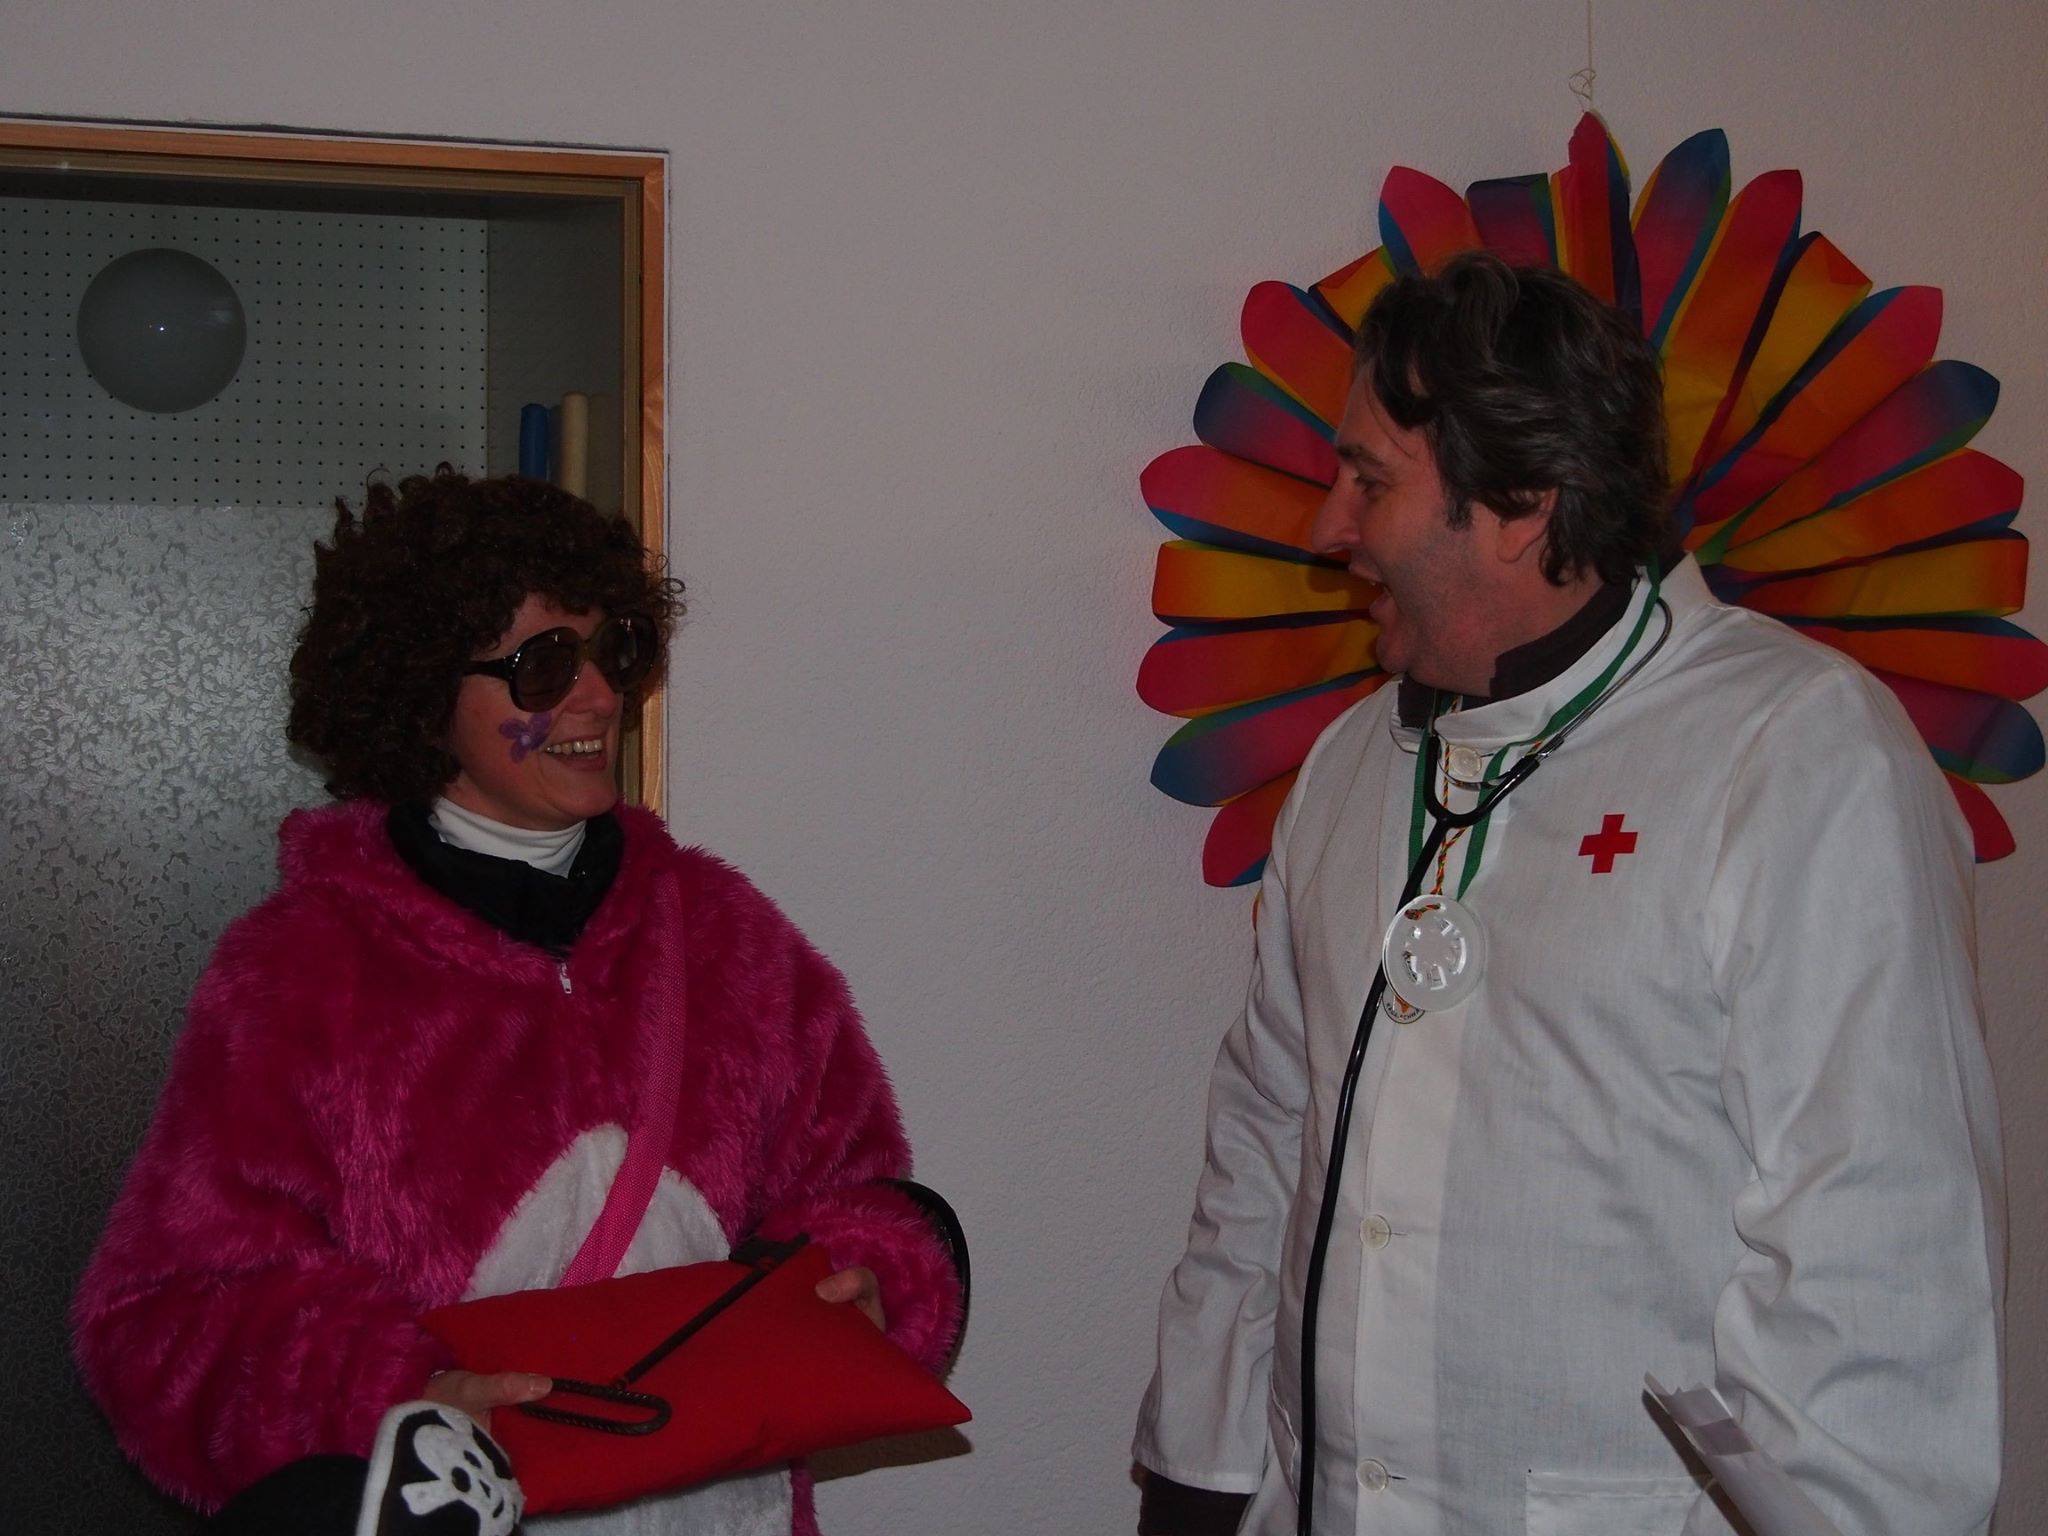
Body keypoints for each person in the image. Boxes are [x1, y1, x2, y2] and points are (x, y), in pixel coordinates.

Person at [1134, 253, 2003, 1534]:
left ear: (1520, 502)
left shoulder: (1797, 756)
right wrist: (1198, 1477)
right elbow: (1265, 1136)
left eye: (1368, 478)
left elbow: (1876, 1259)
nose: (1327, 528)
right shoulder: (1350, 764)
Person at [73, 470, 966, 1536]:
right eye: (543, 666)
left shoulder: (727, 937)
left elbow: (856, 1190)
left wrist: (866, 1277)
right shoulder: (301, 972)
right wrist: (391, 1399)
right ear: (423, 697)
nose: (598, 697)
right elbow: (169, 1319)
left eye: (615, 651)